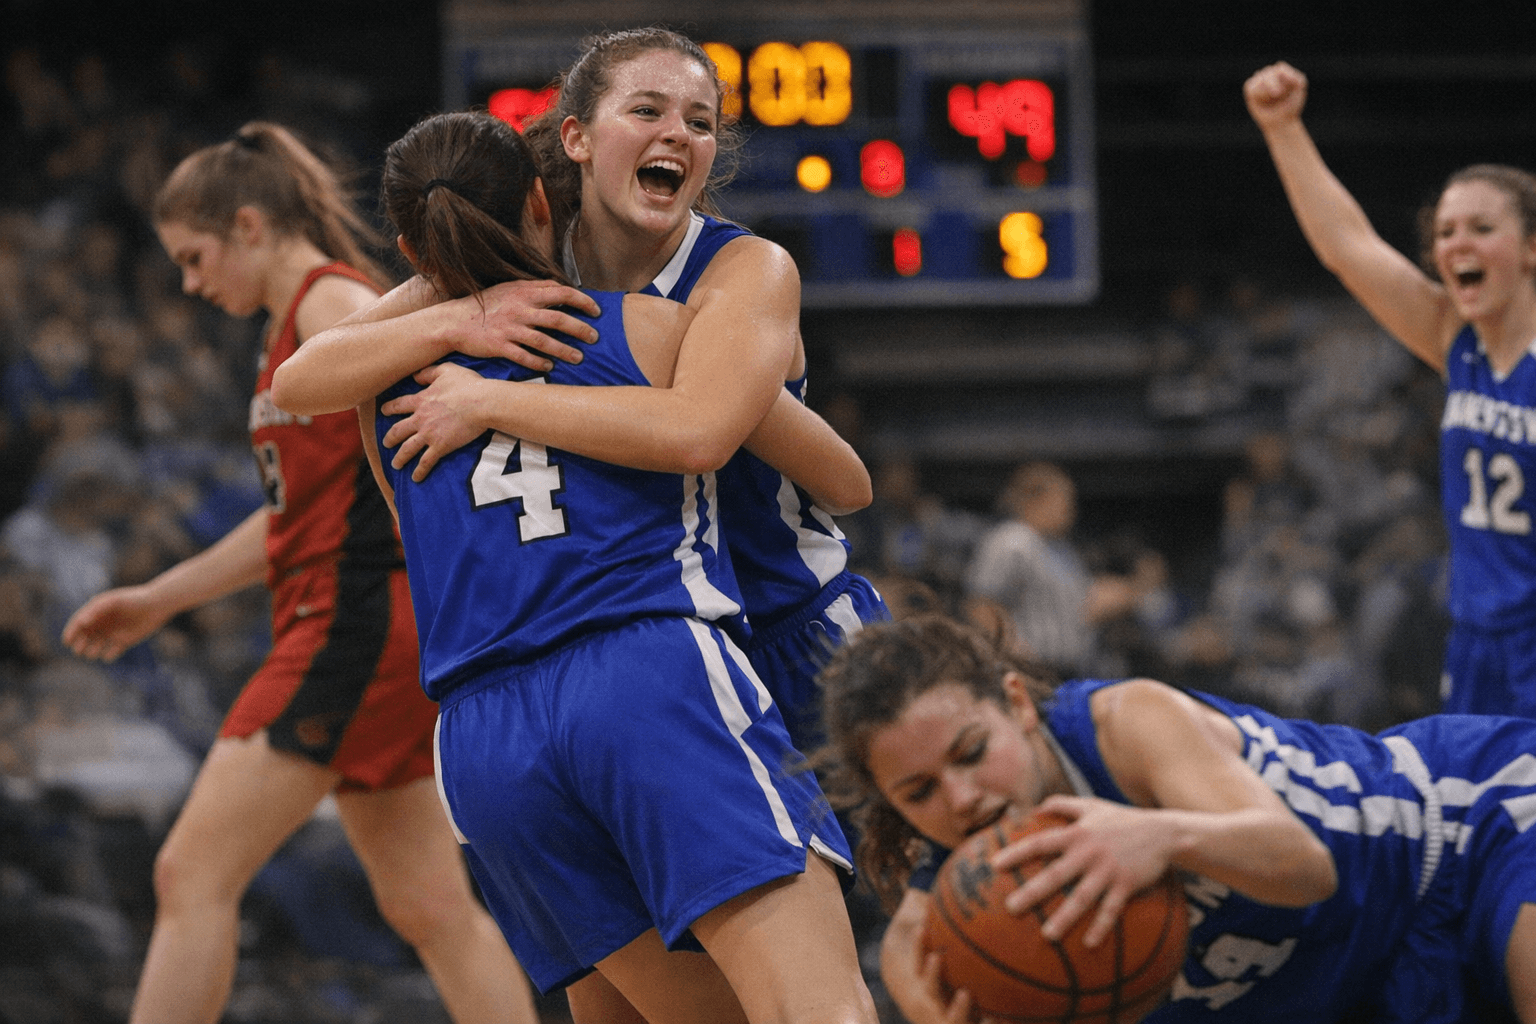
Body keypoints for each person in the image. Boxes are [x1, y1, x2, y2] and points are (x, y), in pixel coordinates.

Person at [333, 108, 877, 1024]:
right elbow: (841, 478)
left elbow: (405, 509)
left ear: (408, 247)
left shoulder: (378, 389)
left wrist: (487, 396)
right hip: (643, 676)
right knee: (818, 1008)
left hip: (483, 739)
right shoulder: (651, 330)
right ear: (548, 203)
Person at [272, 29, 888, 757]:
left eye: (699, 122)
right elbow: (301, 378)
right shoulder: (521, 249)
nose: (677, 135)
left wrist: (487, 401)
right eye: (648, 111)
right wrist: (460, 318)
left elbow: (823, 475)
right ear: (578, 138)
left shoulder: (744, 270)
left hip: (788, 625)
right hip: (647, 645)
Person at [59, 122, 537, 1024]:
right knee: (430, 909)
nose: (193, 285)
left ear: (249, 226)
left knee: (189, 870)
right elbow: (289, 520)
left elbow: (439, 399)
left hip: (353, 620)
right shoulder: (292, 328)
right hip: (361, 623)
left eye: (196, 259)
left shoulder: (333, 305)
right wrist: (160, 598)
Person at [818, 613, 1536, 1023]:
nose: (963, 798)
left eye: (972, 753)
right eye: (919, 793)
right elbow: (911, 946)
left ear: (1018, 703)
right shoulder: (975, 877)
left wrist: (1160, 834)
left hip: (1466, 828)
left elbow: (1306, 865)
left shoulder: (1128, 726)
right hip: (1355, 980)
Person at [1244, 61, 1536, 719]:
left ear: (1530, 249)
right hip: (1477, 641)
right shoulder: (1454, 338)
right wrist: (1283, 128)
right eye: (1445, 231)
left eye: (1481, 228)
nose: (1456, 242)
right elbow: (1347, 247)